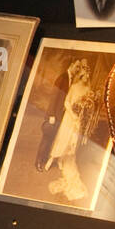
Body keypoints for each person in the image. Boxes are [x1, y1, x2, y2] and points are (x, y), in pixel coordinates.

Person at [43, 58, 97, 203]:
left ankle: (62, 159)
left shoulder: (87, 90)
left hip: (77, 121)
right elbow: (67, 102)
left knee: (71, 143)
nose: (85, 78)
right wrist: (73, 114)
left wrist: (82, 116)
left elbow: (87, 108)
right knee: (62, 139)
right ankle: (52, 158)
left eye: (87, 76)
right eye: (83, 75)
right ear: (81, 75)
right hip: (69, 118)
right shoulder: (74, 86)